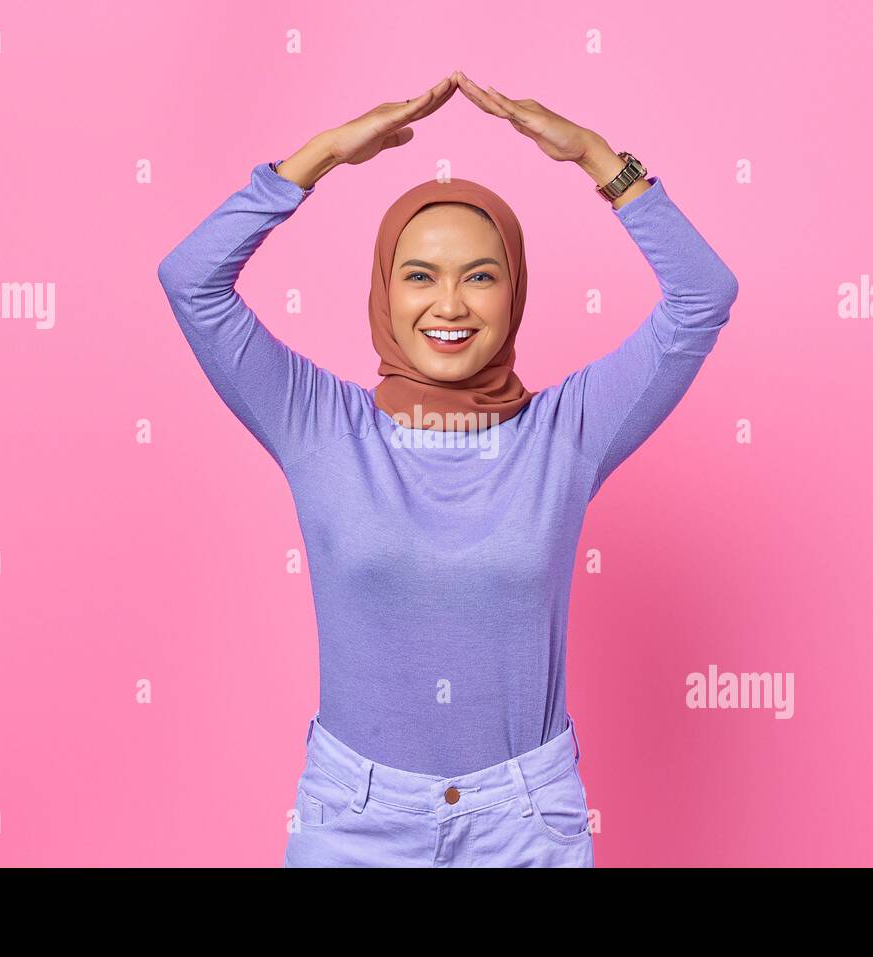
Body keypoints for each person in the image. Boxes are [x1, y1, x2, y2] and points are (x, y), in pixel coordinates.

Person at [157, 71, 739, 867]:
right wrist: (321, 155)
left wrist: (600, 160)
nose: (451, 305)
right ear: (385, 291)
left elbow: (704, 296)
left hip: (525, 819)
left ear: (515, 292)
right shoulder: (320, 424)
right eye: (421, 275)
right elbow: (191, 280)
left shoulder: (566, 432)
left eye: (481, 275)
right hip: (354, 818)